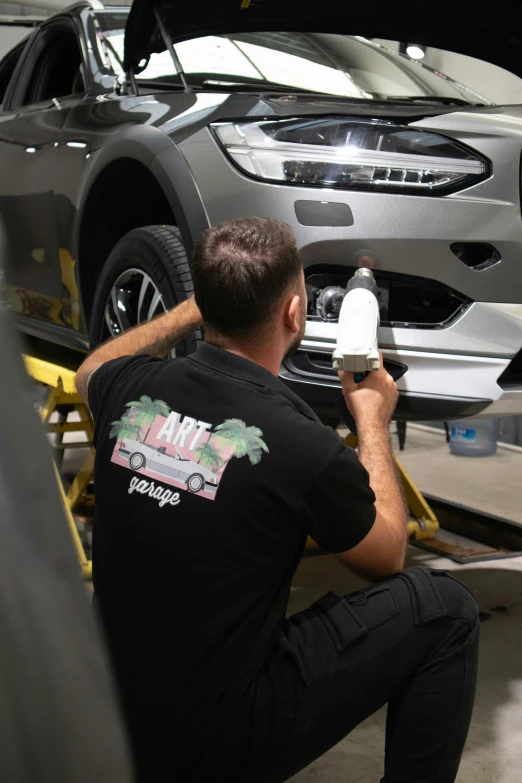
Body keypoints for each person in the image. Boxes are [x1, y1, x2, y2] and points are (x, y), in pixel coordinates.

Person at [76, 217, 479, 783]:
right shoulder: (299, 442)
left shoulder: (129, 388)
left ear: (208, 300)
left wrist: (198, 308)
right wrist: (371, 422)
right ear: (295, 313)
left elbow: (90, 367)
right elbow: (387, 556)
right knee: (446, 607)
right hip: (212, 747)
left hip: (106, 721)